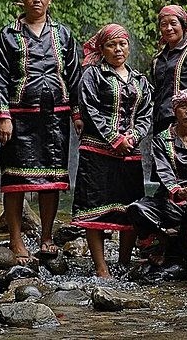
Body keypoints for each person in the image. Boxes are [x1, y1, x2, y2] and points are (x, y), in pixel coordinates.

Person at [0, 0, 82, 265]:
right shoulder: (8, 35)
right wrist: (3, 116)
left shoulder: (63, 34)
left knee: (51, 179)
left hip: (55, 115)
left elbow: (74, 75)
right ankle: (16, 240)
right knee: (15, 180)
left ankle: (46, 236)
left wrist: (77, 115)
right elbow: (0, 77)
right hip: (19, 116)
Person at [71, 23, 153, 278]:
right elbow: (89, 108)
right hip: (97, 152)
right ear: (102, 49)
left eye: (122, 44)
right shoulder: (92, 76)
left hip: (130, 153)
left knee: (129, 207)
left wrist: (134, 135)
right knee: (95, 207)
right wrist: (114, 138)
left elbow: (146, 114)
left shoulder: (140, 80)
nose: (118, 50)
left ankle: (124, 262)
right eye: (111, 45)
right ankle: (101, 267)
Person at [126, 88, 187, 283]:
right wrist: (180, 192)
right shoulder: (162, 139)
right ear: (174, 111)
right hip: (173, 201)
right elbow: (164, 174)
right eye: (183, 107)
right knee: (137, 209)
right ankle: (162, 240)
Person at [150, 5, 187, 135]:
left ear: (183, 26)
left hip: (185, 120)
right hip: (160, 119)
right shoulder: (158, 58)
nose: (169, 28)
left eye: (173, 23)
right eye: (164, 25)